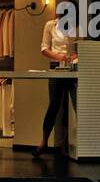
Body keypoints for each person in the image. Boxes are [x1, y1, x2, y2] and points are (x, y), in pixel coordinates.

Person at [33, 17, 78, 158]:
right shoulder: (50, 25)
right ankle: (44, 140)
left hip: (73, 67)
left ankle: (66, 142)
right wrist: (60, 57)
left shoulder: (77, 26)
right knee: (54, 104)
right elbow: (44, 48)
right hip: (56, 67)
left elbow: (80, 47)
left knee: (73, 105)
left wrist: (74, 56)